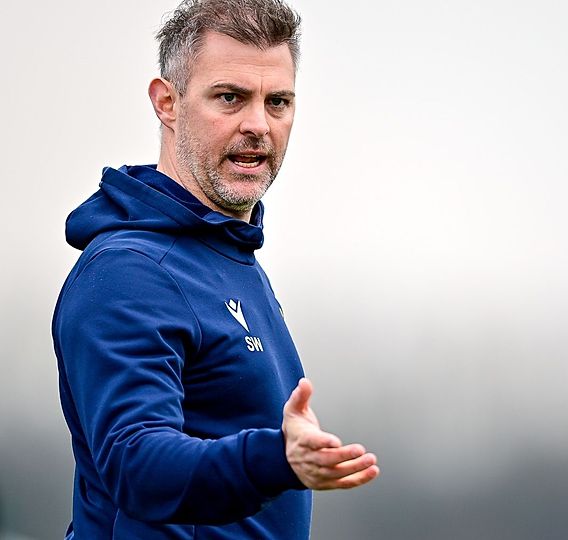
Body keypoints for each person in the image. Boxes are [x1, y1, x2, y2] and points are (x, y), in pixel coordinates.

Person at [51, 0, 379, 537]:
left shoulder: (229, 255)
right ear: (167, 103)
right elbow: (136, 463)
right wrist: (275, 458)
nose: (258, 125)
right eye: (230, 97)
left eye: (278, 102)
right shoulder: (131, 271)